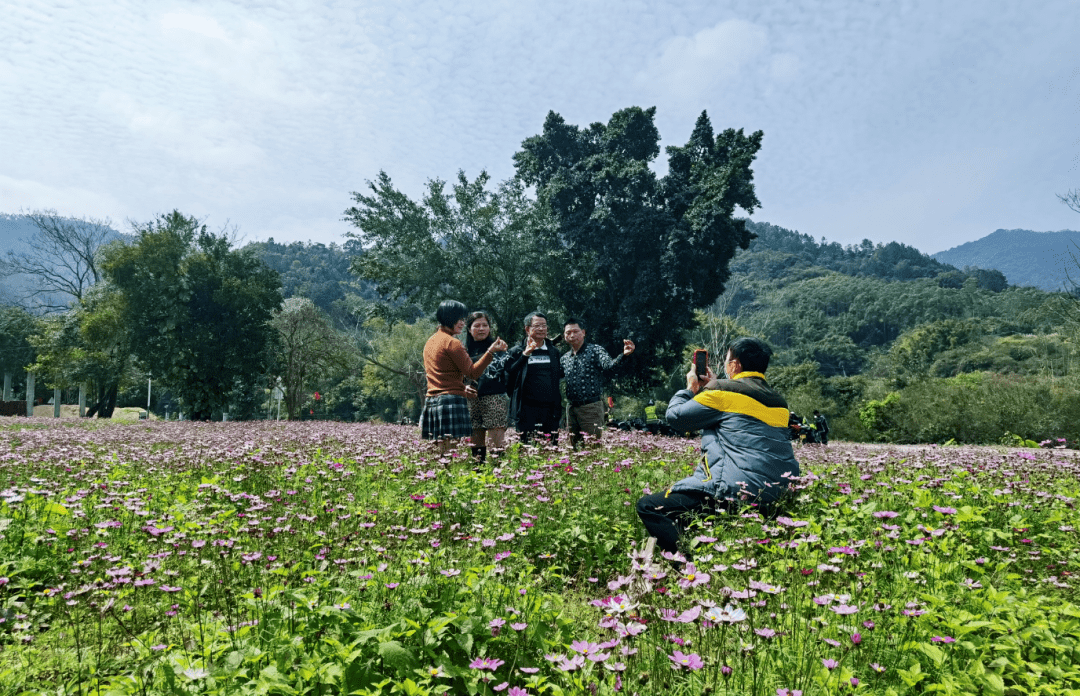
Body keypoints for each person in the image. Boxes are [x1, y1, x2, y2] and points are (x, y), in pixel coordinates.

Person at [636, 337, 800, 556]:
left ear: (736, 364)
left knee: (648, 506)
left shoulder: (721, 392)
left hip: (734, 492)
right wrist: (713, 388)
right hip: (777, 494)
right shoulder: (780, 403)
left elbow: (676, 418)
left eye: (727, 358)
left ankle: (688, 565)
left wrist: (691, 388)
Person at [420, 300, 506, 454]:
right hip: (450, 400)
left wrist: (462, 387)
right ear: (448, 318)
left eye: (463, 319)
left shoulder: (430, 341)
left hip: (432, 399)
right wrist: (490, 352)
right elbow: (472, 373)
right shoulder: (453, 343)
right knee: (449, 453)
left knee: (439, 453)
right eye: (459, 319)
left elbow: (440, 375)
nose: (462, 323)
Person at [561, 318, 635, 448]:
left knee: (592, 448)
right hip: (571, 408)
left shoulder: (595, 350)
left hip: (590, 407)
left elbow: (609, 366)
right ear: (564, 336)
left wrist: (624, 355)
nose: (572, 335)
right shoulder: (564, 358)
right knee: (575, 448)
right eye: (568, 332)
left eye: (575, 331)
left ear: (583, 332)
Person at [505, 312, 563, 445]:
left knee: (551, 448)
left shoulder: (553, 352)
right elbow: (509, 376)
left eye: (544, 326)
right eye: (537, 326)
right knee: (526, 448)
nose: (542, 329)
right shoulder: (516, 351)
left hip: (549, 410)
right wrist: (525, 355)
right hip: (525, 410)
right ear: (527, 329)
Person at [464, 311, 511, 461]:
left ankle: (499, 475)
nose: (481, 328)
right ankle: (478, 474)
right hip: (471, 399)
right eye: (476, 325)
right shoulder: (462, 351)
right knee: (475, 442)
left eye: (485, 325)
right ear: (469, 329)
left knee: (496, 443)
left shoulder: (499, 348)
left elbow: (510, 373)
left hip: (495, 398)